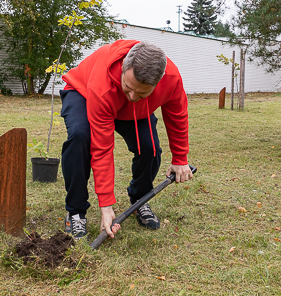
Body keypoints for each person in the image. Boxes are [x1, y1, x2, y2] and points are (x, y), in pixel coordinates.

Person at [58, 40, 192, 240]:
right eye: (128, 87)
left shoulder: (171, 79)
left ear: (157, 83)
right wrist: (106, 205)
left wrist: (180, 159)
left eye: (141, 92)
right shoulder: (103, 82)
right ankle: (76, 211)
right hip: (84, 92)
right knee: (80, 137)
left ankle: (139, 200)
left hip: (132, 111)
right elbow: (102, 148)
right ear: (123, 68)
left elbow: (177, 116)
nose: (131, 96)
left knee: (150, 148)